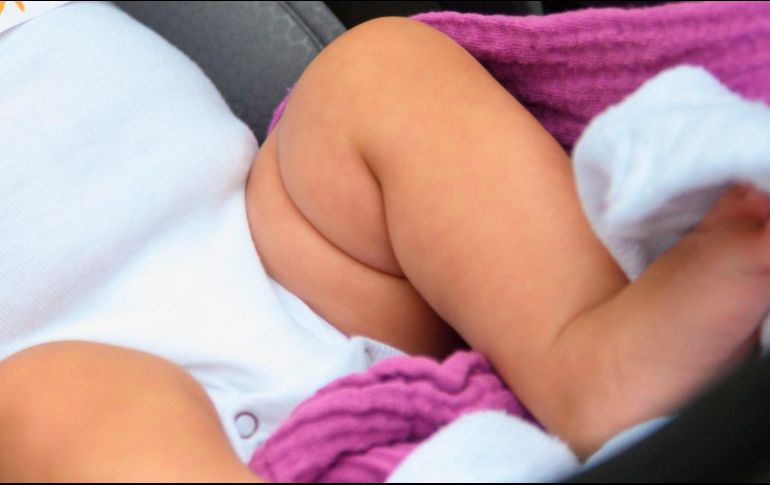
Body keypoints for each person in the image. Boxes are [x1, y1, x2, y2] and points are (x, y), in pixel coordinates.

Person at [0, 5, 766, 482]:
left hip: (285, 278)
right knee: (50, 396)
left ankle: (591, 352)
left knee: (372, 73)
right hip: (53, 420)